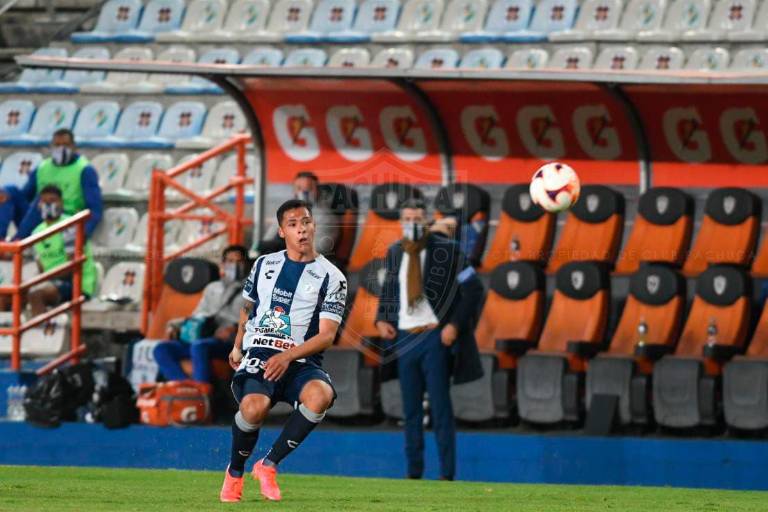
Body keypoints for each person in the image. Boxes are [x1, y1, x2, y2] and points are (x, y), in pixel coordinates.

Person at [220, 198, 347, 503]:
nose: (301, 229)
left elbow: (328, 335)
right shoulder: (265, 264)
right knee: (254, 408)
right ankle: (235, 474)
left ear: (314, 225)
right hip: (261, 352)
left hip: (301, 359)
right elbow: (248, 306)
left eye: (305, 222)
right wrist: (238, 345)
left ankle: (268, 465)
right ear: (281, 232)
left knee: (321, 396)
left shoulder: (333, 277)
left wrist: (288, 355)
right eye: (293, 225)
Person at [375, 198, 484, 481]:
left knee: (440, 408)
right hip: (404, 338)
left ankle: (447, 475)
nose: (412, 223)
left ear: (427, 221)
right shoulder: (395, 251)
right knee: (410, 410)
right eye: (407, 218)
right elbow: (389, 288)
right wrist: (382, 318)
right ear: (401, 222)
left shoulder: (449, 250)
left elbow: (474, 290)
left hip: (434, 336)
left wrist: (455, 326)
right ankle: (414, 475)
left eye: (417, 218)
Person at [152, 245, 249, 384]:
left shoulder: (254, 290)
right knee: (161, 349)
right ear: (223, 264)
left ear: (246, 264)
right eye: (230, 261)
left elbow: (256, 321)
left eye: (238, 261)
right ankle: (186, 388)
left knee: (199, 346)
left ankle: (202, 390)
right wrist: (177, 326)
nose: (234, 265)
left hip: (230, 341)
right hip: (205, 335)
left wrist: (236, 330)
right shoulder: (212, 288)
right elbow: (198, 315)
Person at [15, 128, 103, 240]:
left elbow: (95, 208)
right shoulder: (42, 168)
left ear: (74, 147)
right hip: (40, 217)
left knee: (44, 201)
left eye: (66, 145)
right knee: (10, 192)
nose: (61, 148)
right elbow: (24, 196)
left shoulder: (84, 170)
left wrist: (82, 235)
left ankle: (17, 241)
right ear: (51, 147)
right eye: (57, 145)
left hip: (67, 218)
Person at [27, 185, 97, 317]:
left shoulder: (70, 226)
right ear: (38, 205)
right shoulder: (36, 232)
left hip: (77, 283)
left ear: (61, 203)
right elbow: (41, 268)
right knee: (8, 296)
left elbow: (71, 269)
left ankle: (41, 335)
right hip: (52, 282)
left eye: (53, 200)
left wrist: (44, 281)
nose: (48, 204)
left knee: (35, 293)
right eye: (44, 201)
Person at [257, 171, 342, 266]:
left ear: (318, 191)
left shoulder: (325, 217)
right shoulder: (286, 212)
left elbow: (320, 248)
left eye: (309, 188)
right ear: (294, 191)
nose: (304, 192)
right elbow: (267, 240)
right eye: (299, 188)